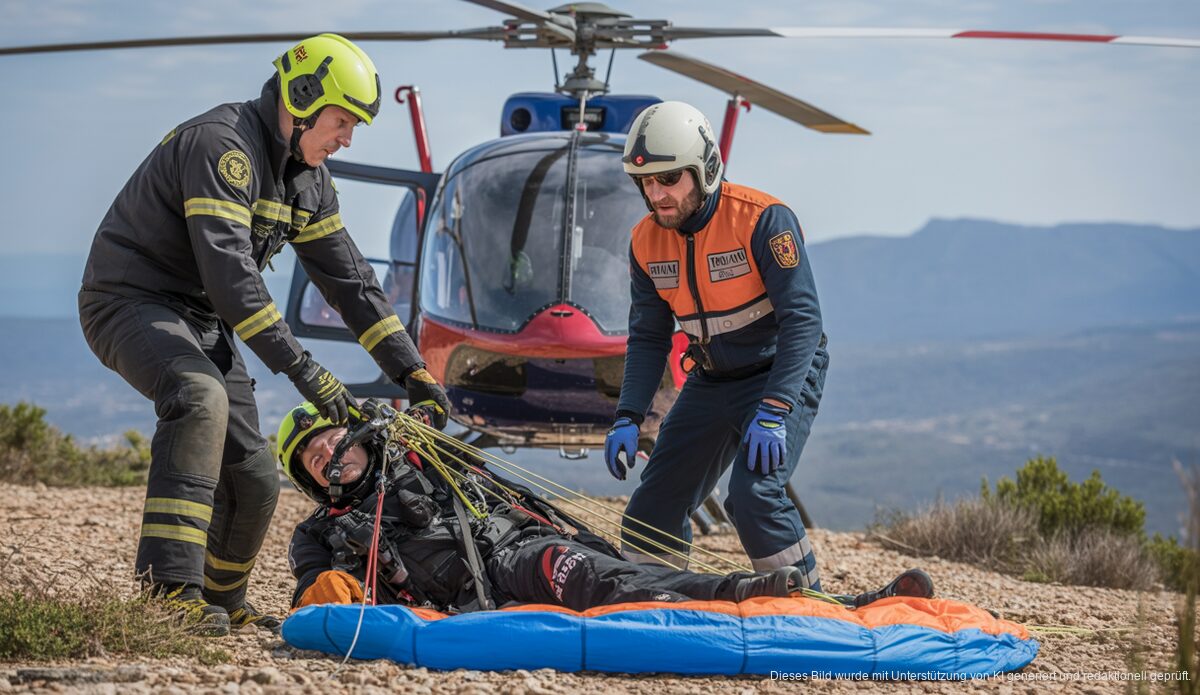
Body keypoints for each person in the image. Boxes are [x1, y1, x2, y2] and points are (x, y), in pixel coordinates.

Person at [77, 34, 451, 636]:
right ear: (303, 98)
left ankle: (220, 601)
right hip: (130, 301)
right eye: (343, 121)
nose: (347, 138)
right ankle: (167, 594)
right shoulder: (220, 147)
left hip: (202, 318)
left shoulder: (310, 179)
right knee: (200, 399)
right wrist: (307, 371)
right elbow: (233, 280)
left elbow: (352, 283)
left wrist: (414, 373)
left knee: (252, 471)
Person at [278, 401, 933, 613]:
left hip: (521, 547)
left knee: (626, 569)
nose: (331, 454)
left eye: (334, 438)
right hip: (487, 587)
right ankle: (752, 593)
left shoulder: (420, 456)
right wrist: (333, 589)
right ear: (314, 484)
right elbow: (315, 594)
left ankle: (841, 605)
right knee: (597, 579)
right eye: (315, 459)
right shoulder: (321, 532)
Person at [604, 101, 830, 588]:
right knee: (653, 504)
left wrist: (774, 409)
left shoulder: (763, 221)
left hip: (778, 374)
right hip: (710, 379)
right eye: (645, 182)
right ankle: (653, 600)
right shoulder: (644, 242)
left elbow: (804, 322)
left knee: (753, 496)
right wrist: (628, 415)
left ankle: (804, 605)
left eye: (668, 179)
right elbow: (647, 336)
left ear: (704, 170)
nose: (656, 194)